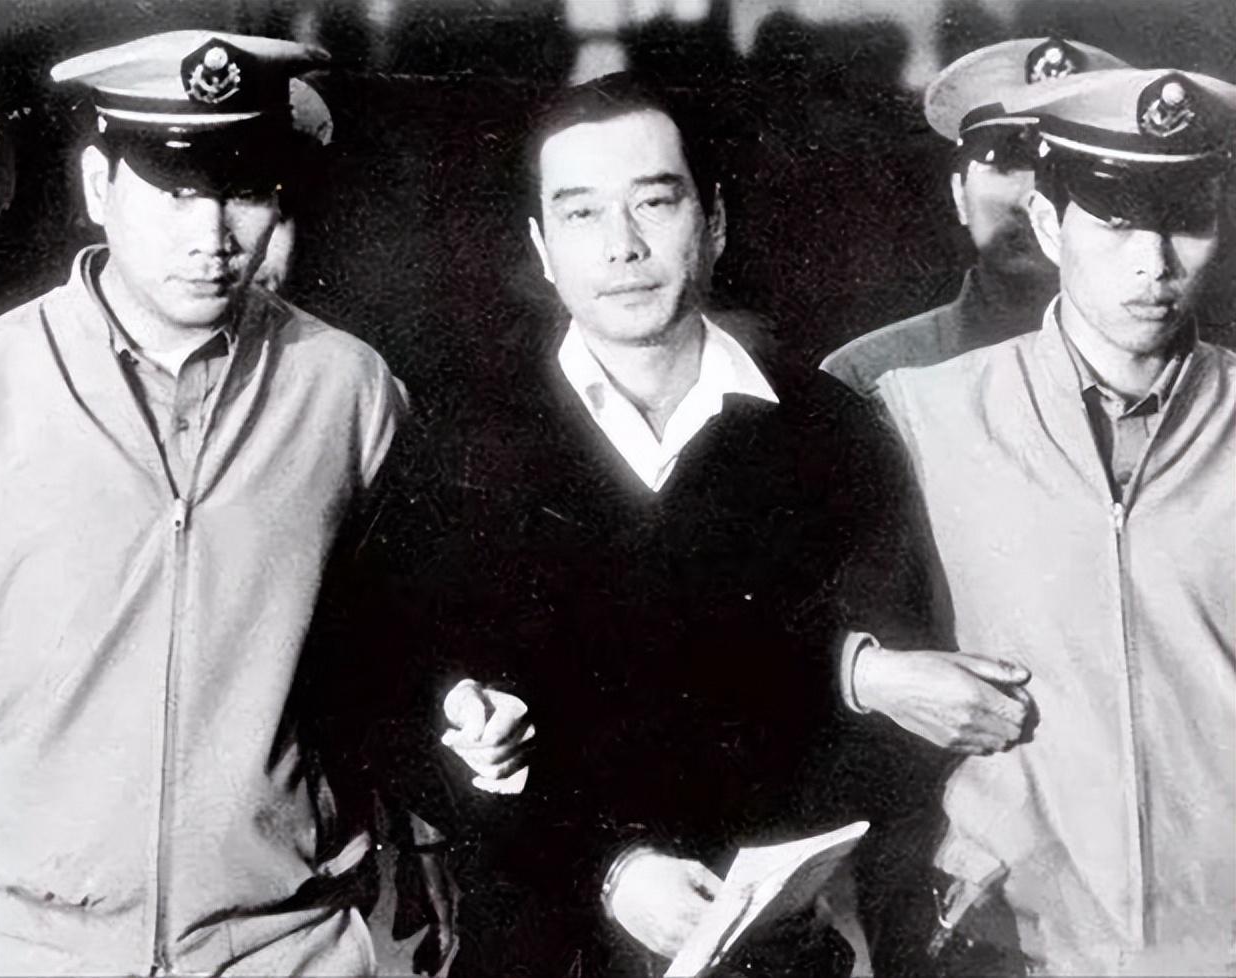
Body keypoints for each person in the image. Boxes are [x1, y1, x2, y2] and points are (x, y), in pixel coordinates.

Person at [335, 72, 940, 977]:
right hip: (538, 958)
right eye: (581, 214)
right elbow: (379, 692)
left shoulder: (829, 434)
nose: (622, 246)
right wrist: (472, 736)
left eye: (654, 202)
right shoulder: (463, 439)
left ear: (715, 220)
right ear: (542, 248)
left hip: (772, 955)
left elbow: (885, 717)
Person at [0, 31, 407, 975]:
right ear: (97, 187)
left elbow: (407, 657)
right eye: (174, 190)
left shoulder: (348, 389)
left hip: (294, 943)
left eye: (244, 189)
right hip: (47, 947)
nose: (212, 235)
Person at [873, 67, 1236, 975]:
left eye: (1185, 220)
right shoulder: (925, 416)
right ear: (1046, 224)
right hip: (1014, 944)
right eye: (1114, 222)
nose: (1154, 262)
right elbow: (775, 627)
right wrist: (865, 671)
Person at [821, 37, 1126, 398]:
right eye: (1005, 166)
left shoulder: (1172, 371)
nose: (1031, 199)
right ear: (959, 195)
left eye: (1065, 169)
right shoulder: (869, 376)